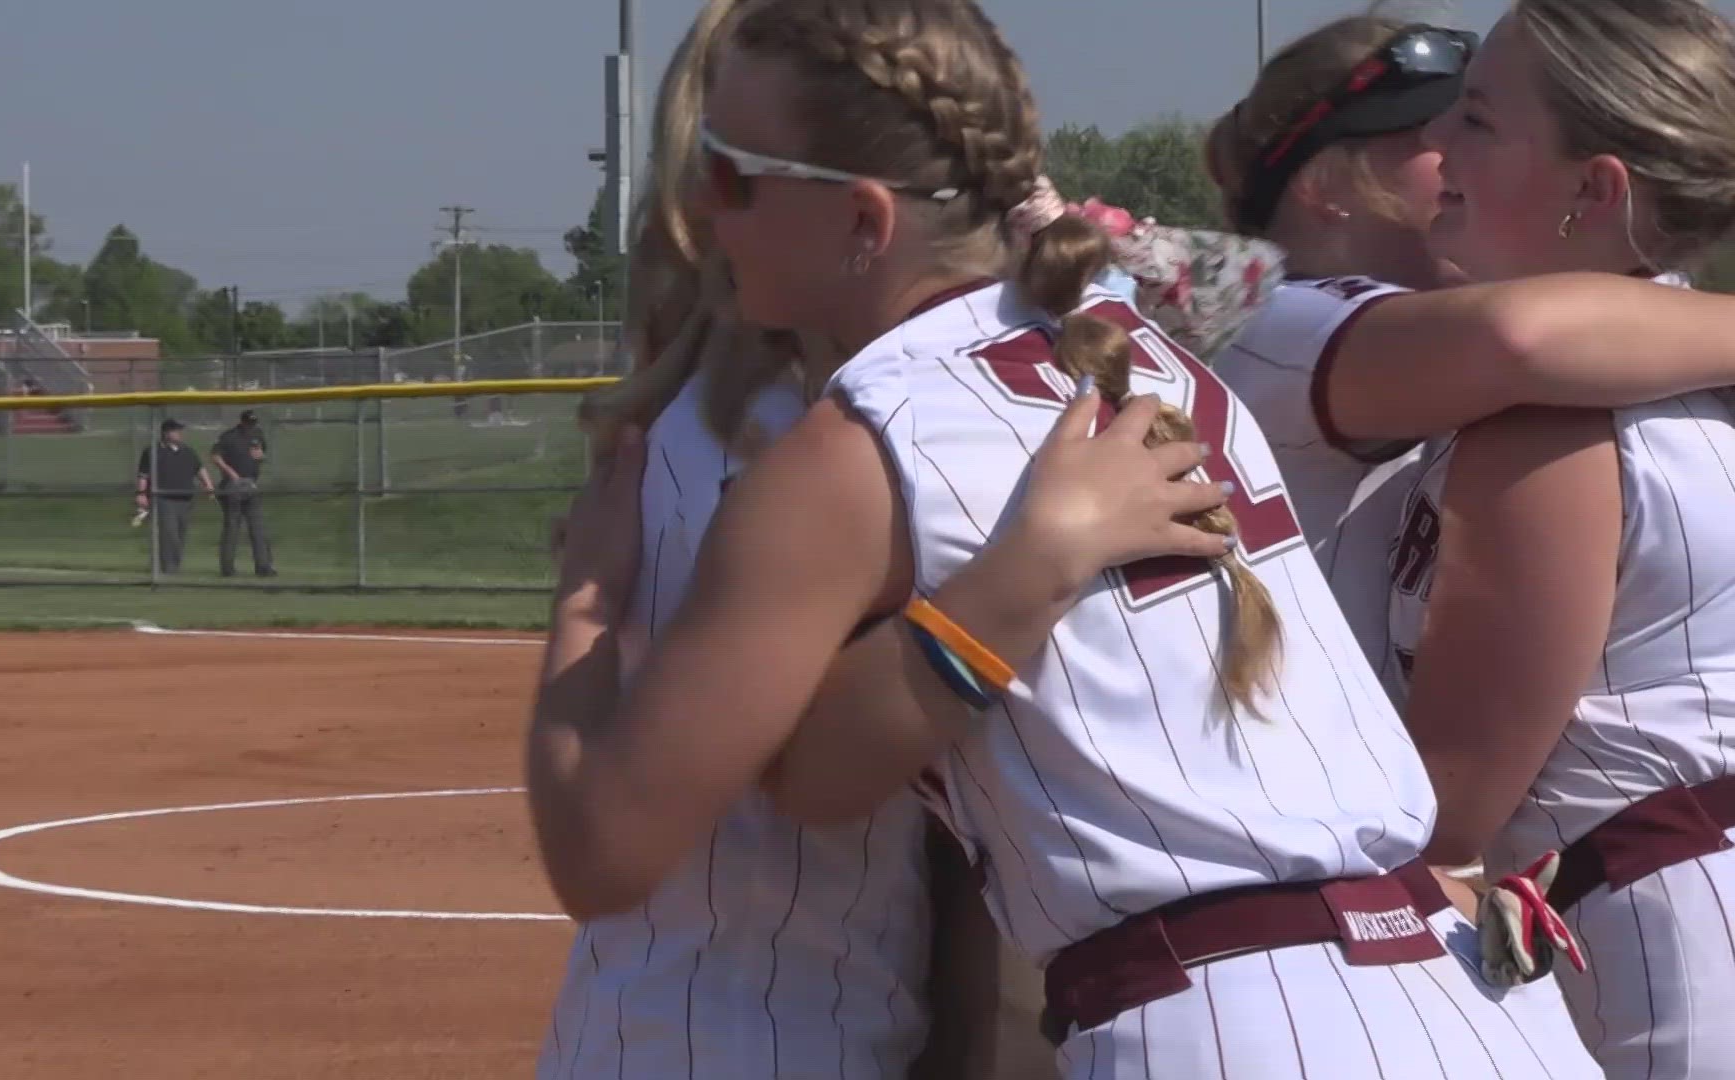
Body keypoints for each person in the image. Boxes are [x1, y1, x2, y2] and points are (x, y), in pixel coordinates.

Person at [527, 0, 1600, 1075]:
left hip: (1231, 1014)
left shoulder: (845, 448)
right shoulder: (1142, 351)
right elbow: (816, 775)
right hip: (1470, 994)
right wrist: (1009, 586)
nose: (702, 209)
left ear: (863, 222)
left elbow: (608, 847)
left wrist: (585, 599)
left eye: (731, 176)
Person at [1378, 1, 1735, 1074]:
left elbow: (1446, 804)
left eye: (1479, 122)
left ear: (1597, 190)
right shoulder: (1698, 374)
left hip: (1663, 949)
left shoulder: (1553, 428)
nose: (1437, 151)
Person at [1198, 13, 1735, 667]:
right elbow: (1518, 335)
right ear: (1323, 181)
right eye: (1422, 122)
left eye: (1474, 119)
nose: (1442, 137)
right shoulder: (1281, 320)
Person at [134, 418, 213, 575]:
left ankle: (173, 566)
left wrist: (208, 485)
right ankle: (168, 568)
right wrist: (141, 494)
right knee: (169, 535)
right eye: (176, 430)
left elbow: (200, 469)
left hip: (185, 499)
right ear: (166, 433)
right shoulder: (152, 451)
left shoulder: (187, 451)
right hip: (164, 498)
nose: (180, 433)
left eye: (180, 430)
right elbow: (144, 475)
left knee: (181, 535)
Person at [212, 409, 274, 578]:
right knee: (232, 527)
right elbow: (216, 456)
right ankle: (227, 568)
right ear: (242, 421)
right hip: (233, 485)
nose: (251, 425)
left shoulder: (258, 435)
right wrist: (231, 473)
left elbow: (262, 455)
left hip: (251, 484)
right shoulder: (229, 436)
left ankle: (263, 566)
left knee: (258, 527)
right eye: (249, 422)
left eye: (254, 422)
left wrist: (261, 456)